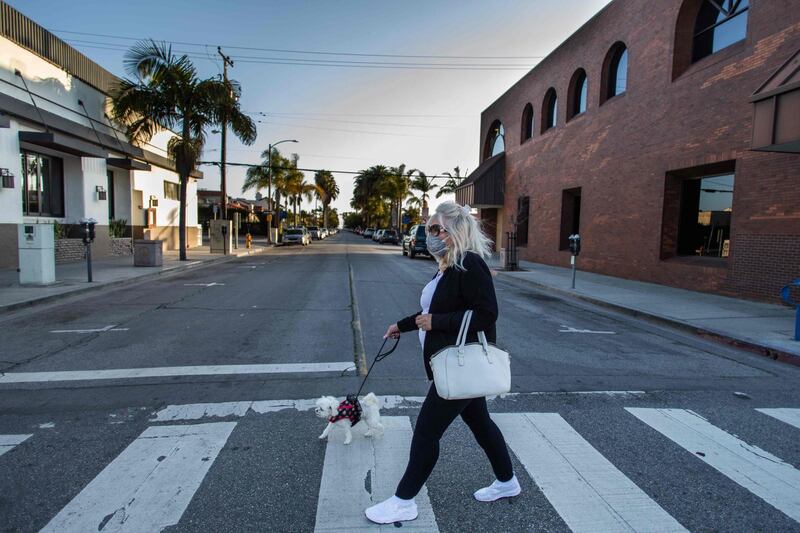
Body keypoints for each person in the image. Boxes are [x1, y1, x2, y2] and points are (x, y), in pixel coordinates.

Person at [365, 201, 520, 525]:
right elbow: (429, 313)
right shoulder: (449, 265)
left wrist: (440, 323)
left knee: (425, 433)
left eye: (437, 229)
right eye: (430, 228)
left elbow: (487, 314)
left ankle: (404, 501)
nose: (430, 234)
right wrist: (402, 325)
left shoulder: (470, 263)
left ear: (456, 231)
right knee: (481, 424)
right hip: (456, 368)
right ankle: (507, 481)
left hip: (458, 365)